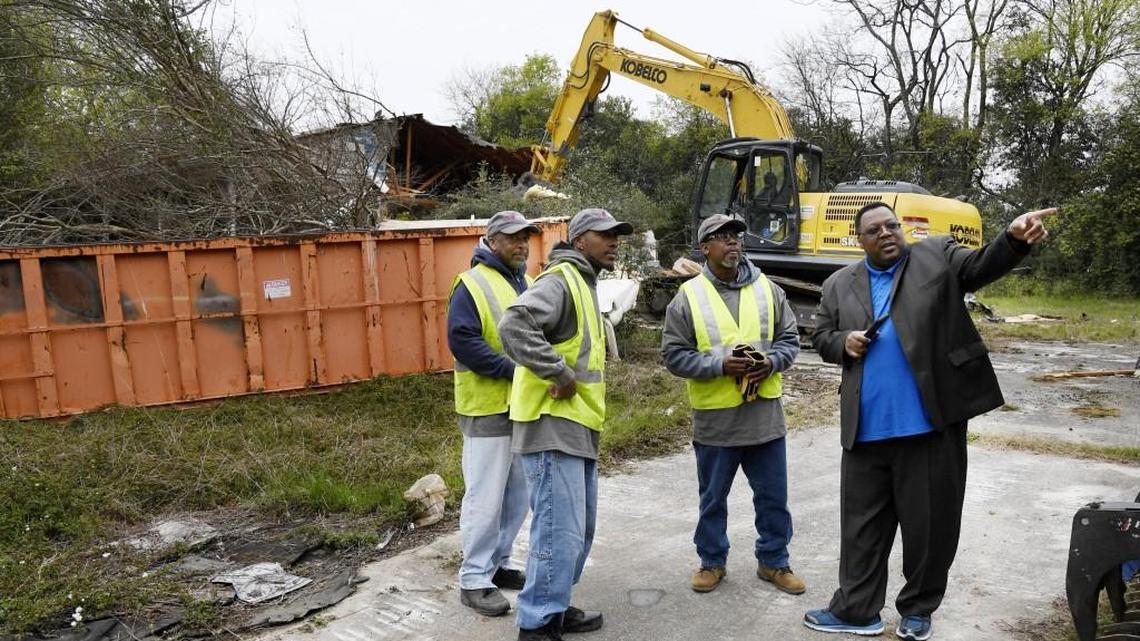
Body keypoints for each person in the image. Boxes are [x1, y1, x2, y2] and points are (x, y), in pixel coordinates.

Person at [804, 202, 1056, 640]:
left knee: (930, 526)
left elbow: (980, 267)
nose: (887, 233)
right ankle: (857, 610)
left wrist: (1012, 239)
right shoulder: (837, 284)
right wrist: (843, 342)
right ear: (858, 239)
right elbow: (822, 336)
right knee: (861, 530)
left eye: (892, 226)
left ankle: (918, 609)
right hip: (864, 431)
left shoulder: (936, 255)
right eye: (875, 230)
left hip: (929, 425)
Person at [498, 208, 633, 641]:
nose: (614, 241)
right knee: (558, 528)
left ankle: (554, 603)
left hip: (577, 426)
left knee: (577, 530)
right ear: (579, 241)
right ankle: (537, 622)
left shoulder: (584, 283)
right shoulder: (560, 280)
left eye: (617, 235)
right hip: (551, 424)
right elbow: (514, 324)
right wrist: (558, 372)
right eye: (604, 235)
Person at [661, 213, 804, 597]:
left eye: (736, 237)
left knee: (774, 498)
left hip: (764, 420)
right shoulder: (688, 297)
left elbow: (791, 342)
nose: (733, 243)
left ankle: (774, 562)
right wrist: (719, 365)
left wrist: (771, 362)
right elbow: (674, 356)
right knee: (712, 500)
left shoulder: (769, 291)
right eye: (722, 237)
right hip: (715, 421)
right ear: (705, 247)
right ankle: (712, 562)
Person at [448, 210, 540, 617]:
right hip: (486, 407)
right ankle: (473, 579)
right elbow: (463, 341)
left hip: (522, 406)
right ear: (493, 241)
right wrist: (513, 370)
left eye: (526, 238)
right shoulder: (471, 284)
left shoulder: (529, 282)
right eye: (514, 238)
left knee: (517, 495)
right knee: (485, 498)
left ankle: (498, 564)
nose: (522, 244)